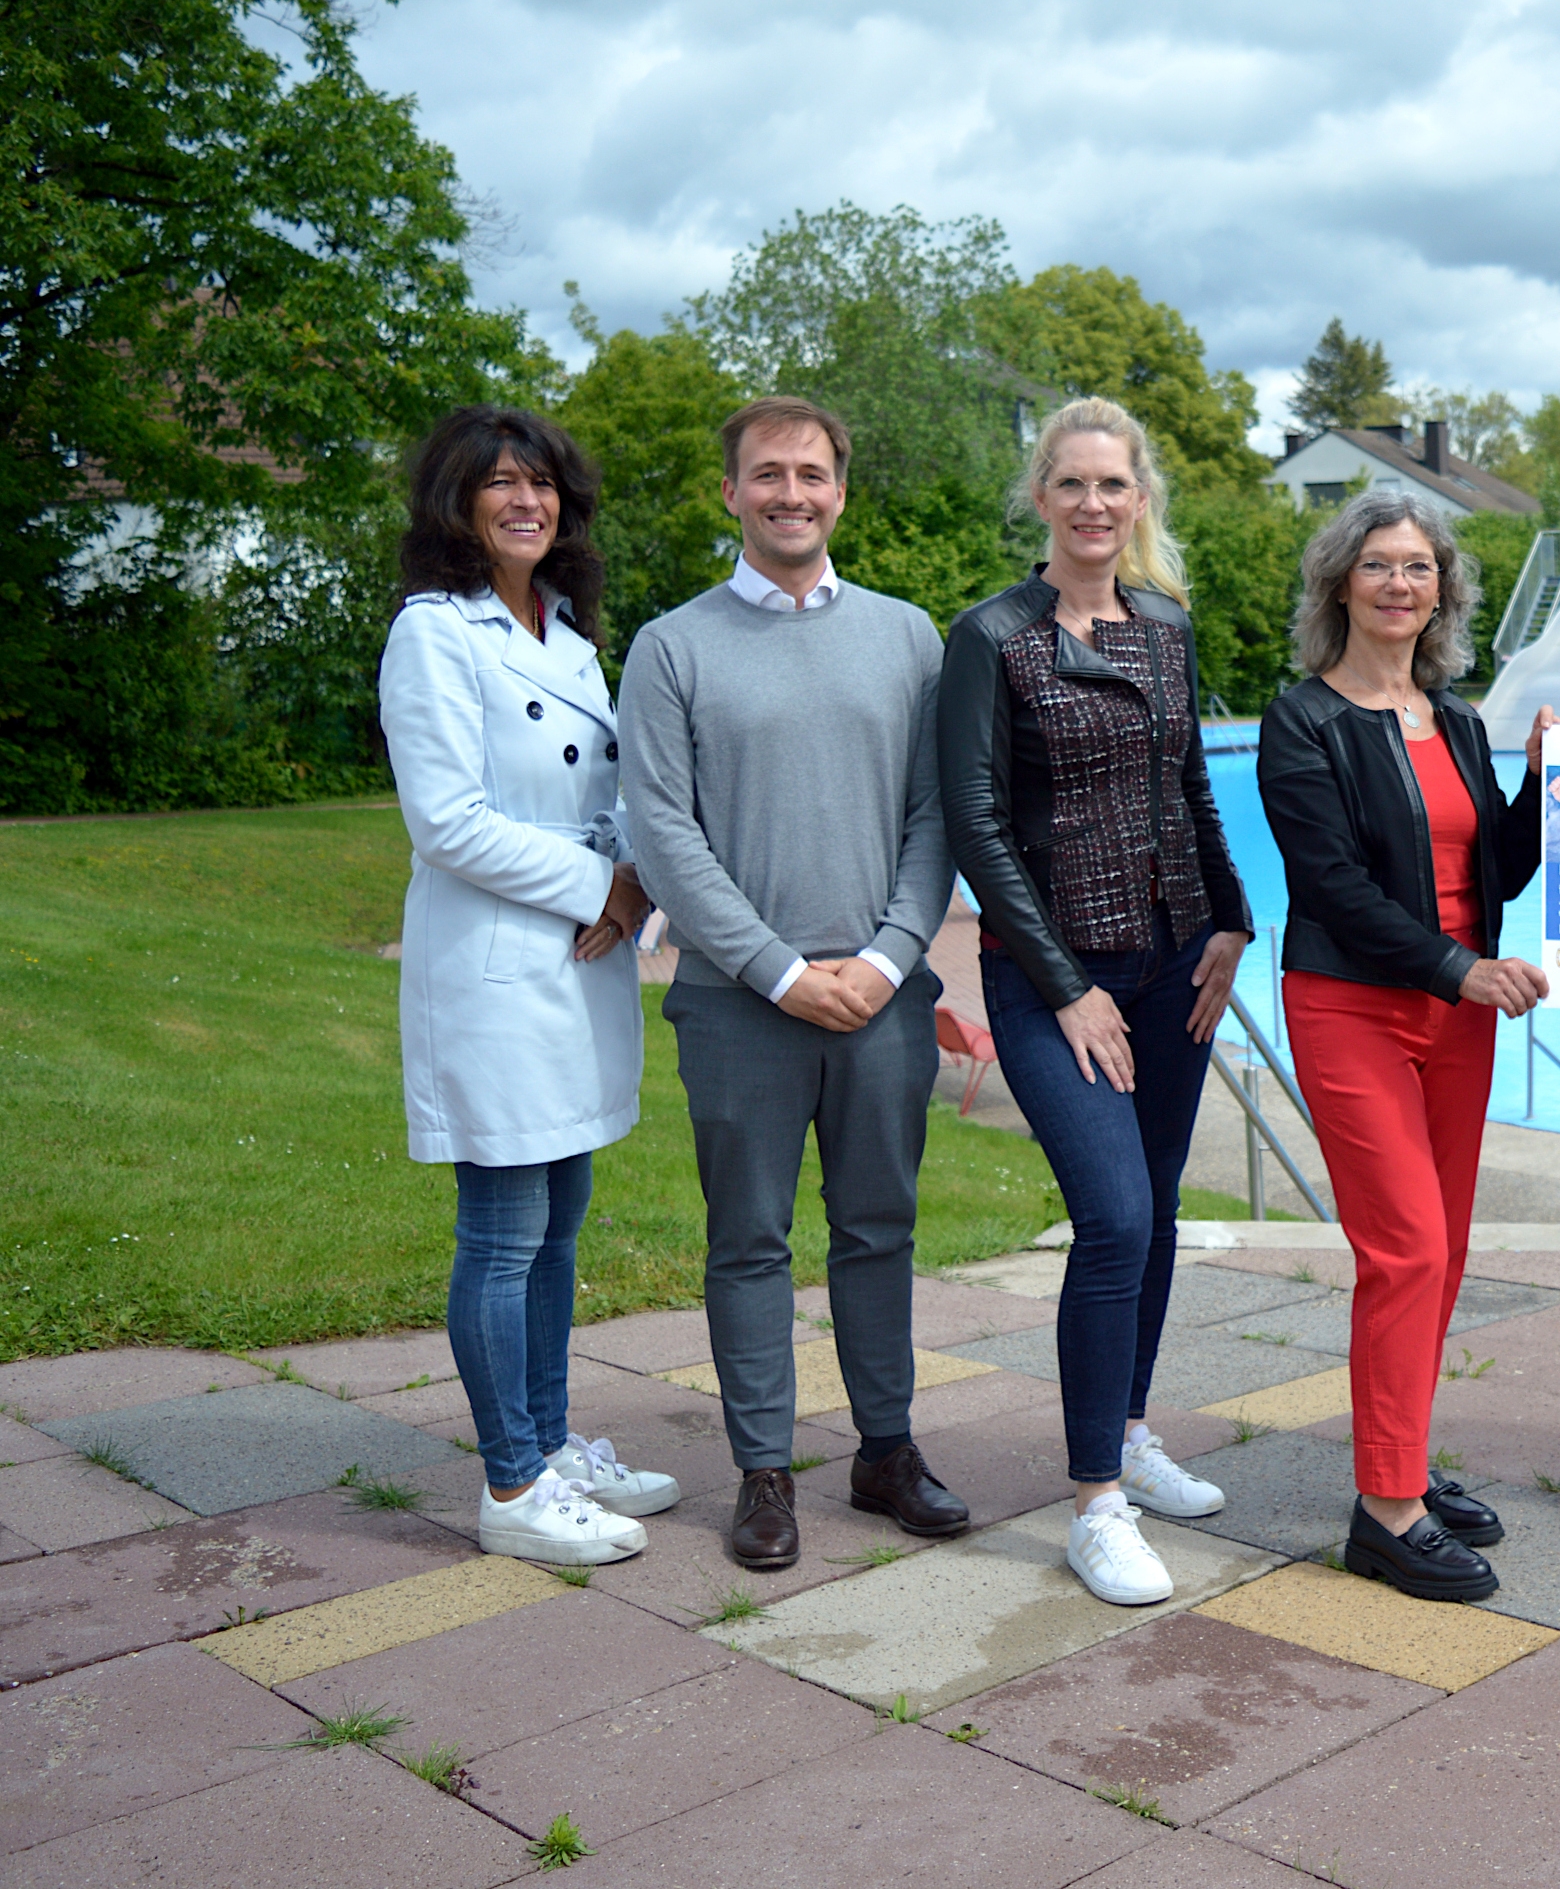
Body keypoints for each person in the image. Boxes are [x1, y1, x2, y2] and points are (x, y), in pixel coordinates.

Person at [620, 394, 966, 1571]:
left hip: (882, 999)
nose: (791, 494)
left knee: (879, 1229)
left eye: (812, 475)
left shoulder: (910, 637)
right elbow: (663, 833)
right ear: (732, 492)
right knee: (750, 1240)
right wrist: (774, 969)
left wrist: (880, 962)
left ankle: (884, 1451)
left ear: (841, 492)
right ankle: (765, 1471)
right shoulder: (672, 647)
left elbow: (938, 815)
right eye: (767, 474)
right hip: (736, 1002)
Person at [938, 397, 1255, 1607]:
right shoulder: (992, 638)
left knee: (1158, 1212)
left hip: (1175, 964)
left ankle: (1126, 1431)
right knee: (1114, 1219)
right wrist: (1065, 987)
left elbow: (1190, 787)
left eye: (1112, 486)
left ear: (1139, 500)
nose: (1092, 505)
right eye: (1070, 485)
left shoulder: (1167, 628)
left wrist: (1233, 920)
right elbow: (976, 824)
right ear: (1040, 497)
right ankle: (1094, 1506)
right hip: (1052, 977)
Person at [380, 406, 680, 1566]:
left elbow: (604, 792)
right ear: (455, 505)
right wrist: (596, 887)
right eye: (498, 483)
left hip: (581, 961)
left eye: (542, 483)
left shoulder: (564, 631)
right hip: (502, 967)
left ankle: (549, 1445)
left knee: (559, 1227)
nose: (525, 501)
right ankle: (510, 1487)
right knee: (502, 1234)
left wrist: (632, 880)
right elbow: (448, 823)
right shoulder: (435, 635)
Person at [1258, 492, 1552, 1602]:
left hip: (1459, 1013)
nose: (1399, 583)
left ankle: (1408, 1462)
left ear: (1443, 591)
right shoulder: (1304, 721)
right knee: (1406, 1252)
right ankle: (1385, 1511)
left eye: (1418, 568)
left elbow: (1498, 874)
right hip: (1355, 1005)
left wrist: (1538, 783)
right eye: (1377, 565)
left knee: (1447, 1251)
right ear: (1342, 583)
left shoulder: (1458, 721)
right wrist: (1456, 968)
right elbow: (1329, 883)